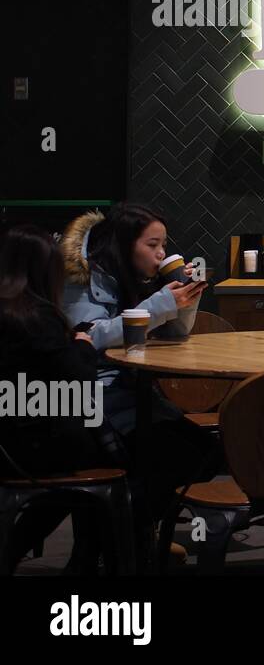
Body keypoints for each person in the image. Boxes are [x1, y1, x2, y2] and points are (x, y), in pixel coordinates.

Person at [59, 203, 219, 557]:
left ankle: (127, 535)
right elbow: (88, 338)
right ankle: (125, 536)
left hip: (134, 393)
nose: (161, 253)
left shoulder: (133, 278)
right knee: (180, 457)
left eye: (163, 245)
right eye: (153, 244)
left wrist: (184, 299)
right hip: (96, 402)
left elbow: (176, 334)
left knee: (204, 453)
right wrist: (161, 303)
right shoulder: (84, 277)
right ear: (124, 242)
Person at [0, 225, 121, 569]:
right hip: (31, 447)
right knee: (109, 458)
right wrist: (82, 346)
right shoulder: (35, 316)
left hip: (8, 437)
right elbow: (78, 382)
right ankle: (99, 558)